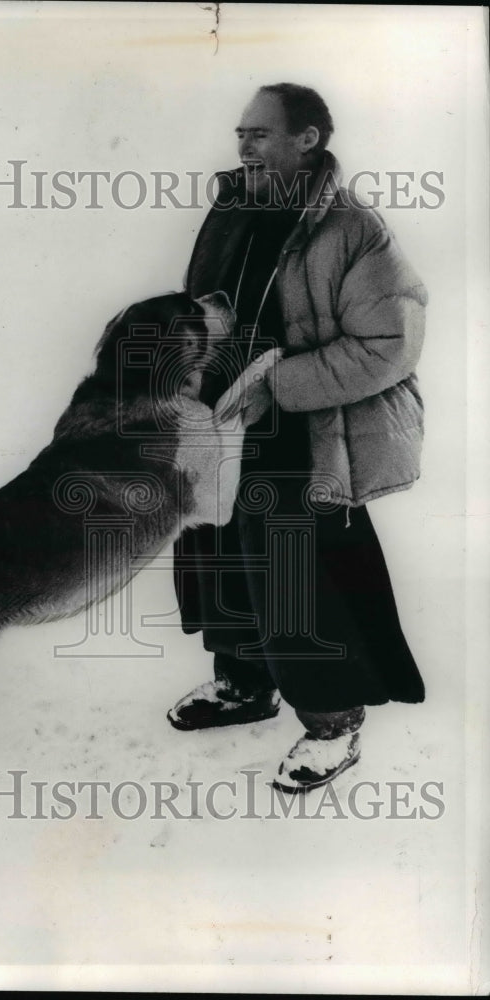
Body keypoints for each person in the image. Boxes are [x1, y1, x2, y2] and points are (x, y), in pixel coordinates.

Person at [169, 83, 427, 792]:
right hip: (223, 424)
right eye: (240, 134)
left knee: (294, 579)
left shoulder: (353, 229)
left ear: (306, 140)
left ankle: (331, 722)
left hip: (305, 435)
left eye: (258, 133)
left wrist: (277, 386)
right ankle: (245, 685)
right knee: (219, 558)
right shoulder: (232, 209)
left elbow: (389, 344)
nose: (243, 146)